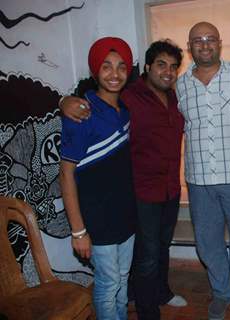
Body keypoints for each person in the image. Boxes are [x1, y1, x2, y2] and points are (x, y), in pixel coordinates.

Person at [60, 40, 187, 320]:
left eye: (173, 67)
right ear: (147, 68)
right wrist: (63, 101)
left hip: (142, 200)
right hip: (131, 199)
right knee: (121, 275)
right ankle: (147, 310)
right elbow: (66, 171)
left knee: (130, 269)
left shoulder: (129, 109)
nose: (168, 71)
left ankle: (159, 293)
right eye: (161, 65)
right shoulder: (124, 98)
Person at [175, 21, 230, 320]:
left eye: (210, 39)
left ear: (219, 43)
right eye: (197, 40)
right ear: (190, 47)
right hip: (199, 181)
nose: (204, 44)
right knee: (208, 244)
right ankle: (222, 292)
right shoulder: (180, 84)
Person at [59, 37, 136, 320]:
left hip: (125, 213)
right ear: (95, 71)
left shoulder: (124, 111)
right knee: (108, 283)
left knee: (123, 277)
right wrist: (78, 230)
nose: (114, 74)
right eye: (106, 67)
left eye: (121, 67)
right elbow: (65, 174)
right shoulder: (82, 112)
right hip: (98, 218)